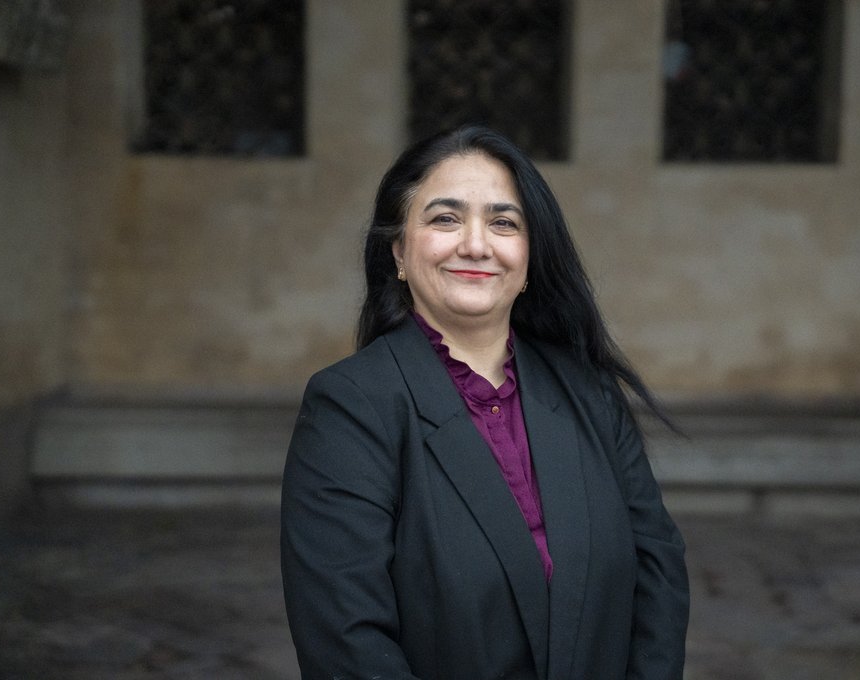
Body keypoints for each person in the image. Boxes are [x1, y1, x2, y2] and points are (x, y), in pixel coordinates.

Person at [280, 125, 689, 679]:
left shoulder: (589, 393)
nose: (476, 244)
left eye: (503, 223)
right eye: (445, 219)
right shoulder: (351, 406)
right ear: (399, 251)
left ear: (529, 256)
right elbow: (345, 640)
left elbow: (659, 576)